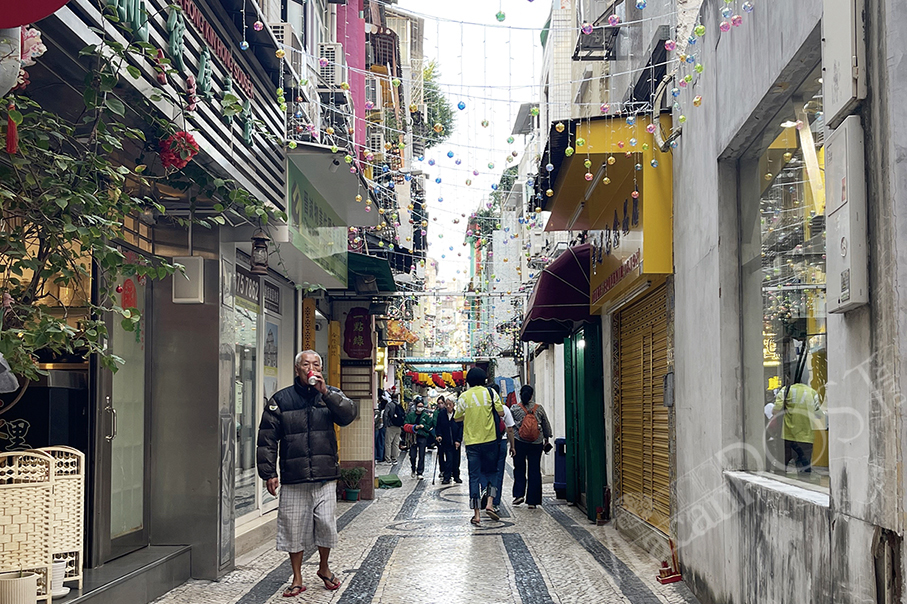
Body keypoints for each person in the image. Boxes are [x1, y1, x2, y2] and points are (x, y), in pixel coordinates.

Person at [257, 350, 358, 597]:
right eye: (306, 364)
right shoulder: (281, 399)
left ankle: (324, 568)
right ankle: (297, 576)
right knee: (293, 529)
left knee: (325, 525)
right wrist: (268, 472)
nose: (310, 368)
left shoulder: (331, 395)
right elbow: (267, 439)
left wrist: (326, 393)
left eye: (316, 364)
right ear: (297, 369)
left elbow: (348, 415)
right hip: (294, 476)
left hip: (324, 475)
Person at [455, 367, 503, 525]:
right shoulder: (490, 393)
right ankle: (489, 503)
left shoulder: (464, 397)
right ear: (484, 379)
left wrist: (469, 416)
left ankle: (476, 514)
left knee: (474, 477)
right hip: (490, 440)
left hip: (472, 443)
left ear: (468, 381)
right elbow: (501, 413)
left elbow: (457, 418)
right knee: (492, 473)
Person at [510, 385, 552, 509]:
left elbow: (510, 428)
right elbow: (546, 427)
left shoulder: (514, 409)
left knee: (519, 468)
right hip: (536, 443)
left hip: (519, 442)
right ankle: (532, 501)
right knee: (534, 470)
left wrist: (511, 445)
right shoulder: (539, 409)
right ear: (532, 395)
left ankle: (519, 495)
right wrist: (546, 439)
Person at [772, 377, 823, 474]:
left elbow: (775, 411)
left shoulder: (785, 390)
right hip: (806, 437)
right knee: (804, 469)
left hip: (787, 436)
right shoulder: (812, 392)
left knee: (781, 468)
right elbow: (818, 414)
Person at [486, 383, 515, 516]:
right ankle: (495, 503)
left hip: (486, 443)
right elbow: (510, 429)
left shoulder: (484, 408)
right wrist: (513, 446)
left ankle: (486, 500)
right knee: (498, 473)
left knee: (485, 471)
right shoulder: (504, 409)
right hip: (501, 443)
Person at [434, 396, 463, 484]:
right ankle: (447, 477)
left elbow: (461, 428)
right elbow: (438, 426)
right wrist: (439, 435)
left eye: (450, 404)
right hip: (446, 440)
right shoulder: (442, 414)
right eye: (447, 404)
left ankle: (456, 476)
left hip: (455, 440)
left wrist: (458, 440)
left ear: (454, 405)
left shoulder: (458, 414)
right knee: (449, 459)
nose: (448, 406)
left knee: (456, 459)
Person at [405, 397, 435, 479]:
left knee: (422, 455)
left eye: (422, 406)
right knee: (413, 455)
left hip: (422, 437)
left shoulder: (426, 416)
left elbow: (429, 426)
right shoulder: (411, 415)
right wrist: (415, 427)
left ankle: (420, 472)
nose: (420, 408)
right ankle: (413, 468)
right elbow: (406, 424)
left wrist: (423, 426)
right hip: (413, 437)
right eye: (419, 406)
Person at [383, 393, 403, 464]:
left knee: (388, 443)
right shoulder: (399, 405)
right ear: (397, 398)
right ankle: (395, 458)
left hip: (390, 426)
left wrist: (386, 424)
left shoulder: (389, 405)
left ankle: (388, 459)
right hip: (398, 427)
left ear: (391, 397)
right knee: (396, 443)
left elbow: (385, 414)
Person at [374, 389, 387, 463]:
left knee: (378, 442)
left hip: (379, 428)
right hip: (382, 427)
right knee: (381, 442)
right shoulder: (382, 411)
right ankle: (380, 456)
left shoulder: (380, 411)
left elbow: (380, 420)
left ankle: (378, 457)